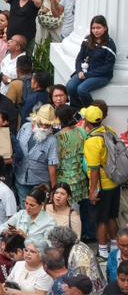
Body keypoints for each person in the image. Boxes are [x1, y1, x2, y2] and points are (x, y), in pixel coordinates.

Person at [82, 105, 121, 255]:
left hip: (102, 186)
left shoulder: (92, 141)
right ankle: (116, 249)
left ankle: (103, 252)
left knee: (101, 220)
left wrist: (93, 192)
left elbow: (94, 170)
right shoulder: (109, 131)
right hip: (114, 182)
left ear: (87, 121)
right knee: (111, 217)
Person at [66, 16, 116, 107]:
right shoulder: (87, 40)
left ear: (105, 28)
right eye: (93, 28)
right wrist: (79, 71)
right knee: (70, 86)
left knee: (82, 89)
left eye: (98, 28)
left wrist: (87, 75)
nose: (95, 31)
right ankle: (77, 109)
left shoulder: (110, 44)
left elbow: (108, 67)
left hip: (101, 76)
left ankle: (92, 111)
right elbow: (80, 58)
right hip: (85, 72)